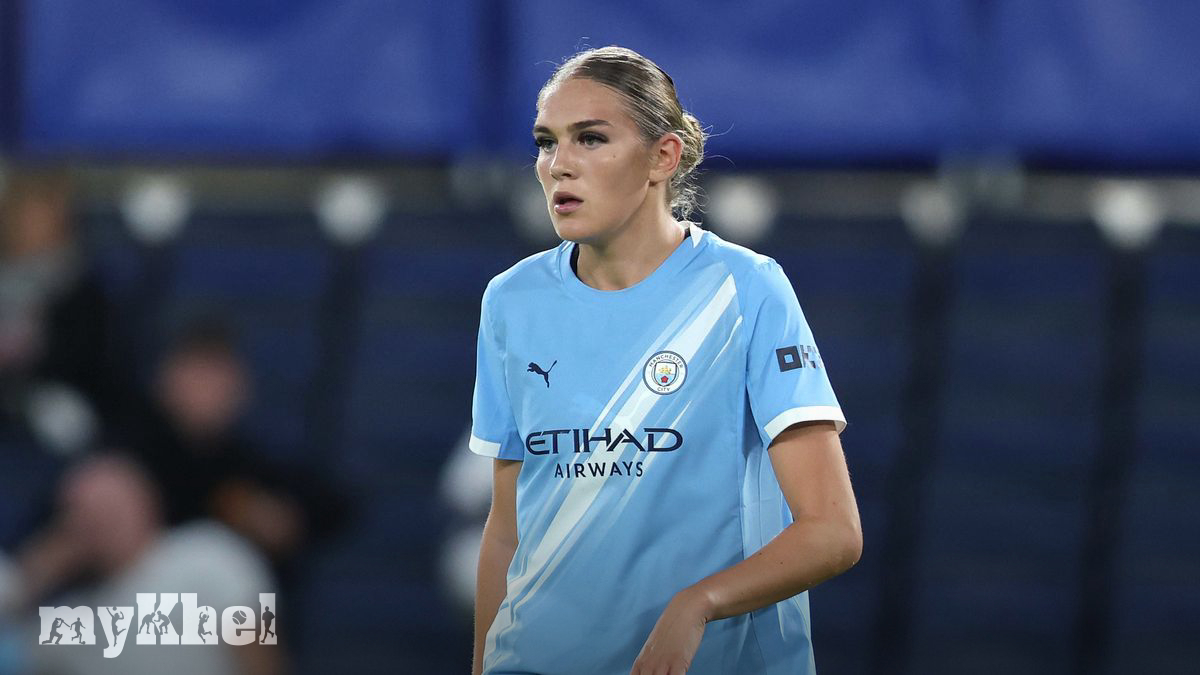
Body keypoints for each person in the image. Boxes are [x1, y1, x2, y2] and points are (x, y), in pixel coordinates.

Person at [471, 46, 862, 675]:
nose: (558, 164)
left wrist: (698, 605)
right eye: (546, 142)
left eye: (590, 138)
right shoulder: (510, 300)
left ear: (664, 156)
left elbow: (832, 533)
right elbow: (506, 531)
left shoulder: (746, 288)